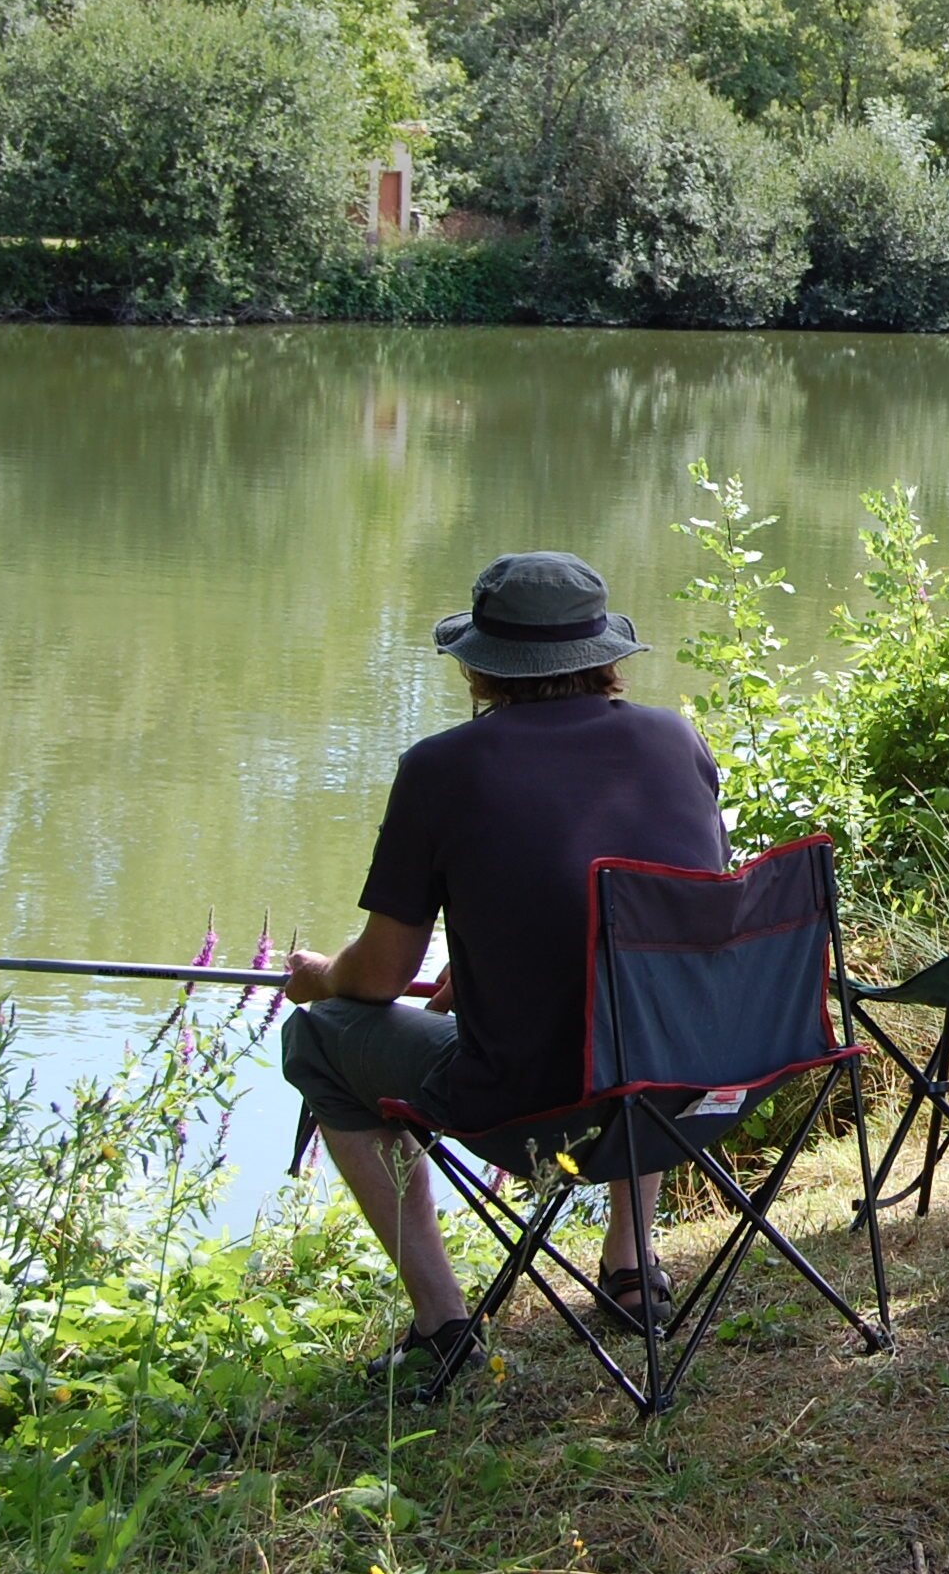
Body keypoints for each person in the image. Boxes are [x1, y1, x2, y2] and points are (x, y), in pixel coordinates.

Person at [280, 550, 729, 1380]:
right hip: (704, 1086)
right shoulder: (675, 740)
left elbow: (378, 977)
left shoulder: (441, 769)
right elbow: (676, 929)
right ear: (605, 659)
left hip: (535, 1109)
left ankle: (442, 1327)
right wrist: (494, 965)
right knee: (648, 1014)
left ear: (483, 673)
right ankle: (631, 1268)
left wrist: (321, 978)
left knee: (319, 1040)